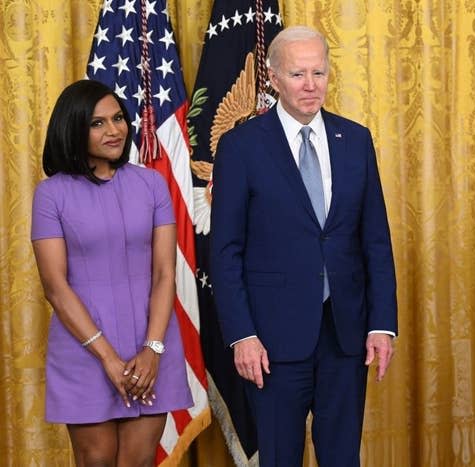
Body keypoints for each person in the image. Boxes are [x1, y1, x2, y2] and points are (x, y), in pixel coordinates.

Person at [210, 25, 398, 466]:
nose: (311, 85)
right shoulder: (241, 147)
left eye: (319, 73)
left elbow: (375, 240)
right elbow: (226, 251)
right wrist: (242, 335)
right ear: (273, 79)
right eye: (298, 74)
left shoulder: (355, 139)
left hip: (345, 336)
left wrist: (381, 324)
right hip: (271, 342)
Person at [31, 79, 193, 466]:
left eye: (118, 118)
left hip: (151, 345)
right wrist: (106, 357)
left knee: (137, 462)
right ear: (73, 129)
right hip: (85, 348)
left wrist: (153, 351)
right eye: (98, 123)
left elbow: (164, 274)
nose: (115, 130)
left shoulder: (152, 184)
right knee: (97, 461)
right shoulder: (51, 194)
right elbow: (55, 286)